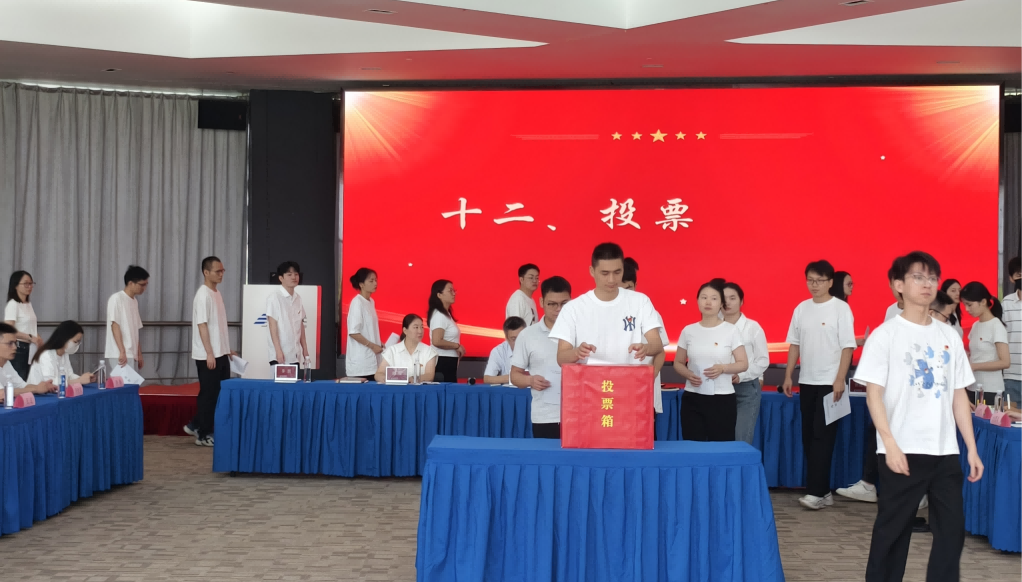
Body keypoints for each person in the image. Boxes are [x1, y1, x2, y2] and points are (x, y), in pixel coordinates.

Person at [854, 251, 982, 582]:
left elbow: (958, 394)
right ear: (898, 285)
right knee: (893, 533)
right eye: (918, 277)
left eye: (932, 278)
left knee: (952, 532)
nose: (927, 284)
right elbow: (874, 394)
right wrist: (889, 444)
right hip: (902, 449)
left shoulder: (948, 335)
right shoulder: (886, 335)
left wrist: (970, 447)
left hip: (944, 452)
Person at [838, 289, 957, 506]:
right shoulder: (889, 326)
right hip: (896, 402)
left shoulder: (946, 335)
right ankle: (875, 485)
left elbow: (954, 384)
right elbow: (875, 388)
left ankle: (920, 491)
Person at [782, 259, 857, 510]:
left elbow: (847, 347)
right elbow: (794, 344)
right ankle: (822, 491)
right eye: (810, 280)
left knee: (822, 437)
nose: (814, 285)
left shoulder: (840, 309)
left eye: (820, 281)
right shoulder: (801, 308)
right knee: (808, 437)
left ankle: (816, 493)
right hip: (807, 381)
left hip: (830, 383)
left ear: (830, 282)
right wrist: (788, 375)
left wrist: (839, 379)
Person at [551, 242, 664, 371]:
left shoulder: (640, 301)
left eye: (617, 272)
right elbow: (561, 357)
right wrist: (577, 352)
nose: (611, 279)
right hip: (588, 382)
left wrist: (646, 348)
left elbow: (657, 344)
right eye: (605, 273)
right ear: (592, 271)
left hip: (628, 380)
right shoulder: (573, 308)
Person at [673, 280, 749, 442]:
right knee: (693, 446)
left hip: (722, 398)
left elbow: (743, 363)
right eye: (704, 297)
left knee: (721, 447)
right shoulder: (688, 330)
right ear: (697, 301)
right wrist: (687, 374)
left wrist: (723, 368)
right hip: (693, 397)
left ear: (721, 304)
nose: (708, 302)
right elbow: (678, 362)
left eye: (714, 298)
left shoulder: (731, 330)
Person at [511, 276, 572, 439]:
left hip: (579, 415)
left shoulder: (582, 332)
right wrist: (530, 380)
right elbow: (515, 375)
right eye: (552, 304)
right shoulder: (527, 335)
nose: (558, 309)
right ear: (541, 302)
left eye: (564, 304)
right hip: (545, 417)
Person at [183, 256, 233, 447]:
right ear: (206, 272)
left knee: (219, 392)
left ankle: (195, 424)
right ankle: (203, 433)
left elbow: (218, 327)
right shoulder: (203, 295)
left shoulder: (216, 293)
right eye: (217, 271)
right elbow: (202, 325)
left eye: (222, 270)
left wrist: (227, 349)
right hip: (208, 355)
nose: (221, 274)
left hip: (220, 353)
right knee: (209, 394)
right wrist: (209, 353)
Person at [622, 257, 669, 420]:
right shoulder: (603, 313)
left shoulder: (650, 313)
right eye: (620, 289)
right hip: (614, 392)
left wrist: (650, 376)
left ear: (635, 285)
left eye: (629, 288)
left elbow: (660, 352)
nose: (626, 294)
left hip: (644, 393)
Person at [722, 281, 769, 445]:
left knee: (741, 439)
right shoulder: (714, 327)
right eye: (724, 298)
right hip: (719, 388)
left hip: (746, 389)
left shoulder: (752, 328)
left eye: (732, 298)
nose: (727, 302)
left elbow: (763, 360)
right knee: (721, 439)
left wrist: (741, 375)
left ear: (741, 301)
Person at [961, 281, 1008, 405]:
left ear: (983, 302)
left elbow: (1005, 362)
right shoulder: (975, 325)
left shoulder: (996, 325)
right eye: (964, 305)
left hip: (991, 390)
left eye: (969, 305)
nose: (967, 309)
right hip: (972, 386)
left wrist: (974, 366)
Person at [265, 261, 309, 369]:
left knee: (295, 380)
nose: (294, 277)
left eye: (296, 274)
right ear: (281, 278)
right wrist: (278, 350)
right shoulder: (274, 297)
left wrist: (305, 349)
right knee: (280, 381)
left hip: (295, 354)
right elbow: (272, 325)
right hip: (280, 356)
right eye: (289, 274)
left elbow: (300, 325)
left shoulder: (298, 298)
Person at [105, 265, 149, 372]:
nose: (144, 288)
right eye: (142, 285)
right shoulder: (116, 299)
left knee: (130, 382)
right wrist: (122, 351)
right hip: (119, 353)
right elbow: (115, 325)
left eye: (146, 285)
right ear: (130, 283)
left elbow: (135, 330)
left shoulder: (134, 301)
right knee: (122, 382)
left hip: (130, 353)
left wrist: (139, 354)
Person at [0, 323, 55, 404]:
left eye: (15, 343)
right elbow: (2, 393)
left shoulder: (7, 363)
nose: (15, 347)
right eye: (10, 343)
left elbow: (23, 386)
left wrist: (42, 387)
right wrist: (36, 389)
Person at [27, 320, 95, 386]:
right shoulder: (46, 355)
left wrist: (83, 379)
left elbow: (69, 375)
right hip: (38, 393)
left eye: (78, 342)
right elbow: (50, 383)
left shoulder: (64, 354)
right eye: (75, 342)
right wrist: (79, 380)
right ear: (64, 338)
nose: (77, 345)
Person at [374, 314, 437, 383]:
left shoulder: (429, 351)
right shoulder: (392, 351)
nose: (420, 331)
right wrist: (386, 378)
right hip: (396, 388)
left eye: (422, 327)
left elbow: (429, 376)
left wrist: (411, 379)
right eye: (416, 327)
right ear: (405, 330)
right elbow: (378, 374)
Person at [4, 271, 43, 381]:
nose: (29, 286)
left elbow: (29, 326)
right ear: (16, 285)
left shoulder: (28, 304)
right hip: (19, 348)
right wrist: (30, 337)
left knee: (29, 379)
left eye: (31, 283)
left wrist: (38, 338)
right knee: (20, 379)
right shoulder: (13, 304)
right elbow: (9, 330)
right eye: (26, 284)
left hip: (30, 348)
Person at [345, 267, 382, 380]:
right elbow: (353, 332)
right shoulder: (357, 302)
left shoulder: (371, 302)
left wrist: (379, 343)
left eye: (376, 280)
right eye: (371, 281)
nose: (375, 283)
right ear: (361, 284)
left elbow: (369, 330)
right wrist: (372, 346)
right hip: (361, 361)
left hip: (373, 360)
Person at [428, 279, 464, 383]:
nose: (454, 294)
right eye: (450, 290)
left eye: (454, 290)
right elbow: (437, 341)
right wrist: (457, 346)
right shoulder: (439, 315)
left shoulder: (446, 315)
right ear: (439, 295)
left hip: (449, 361)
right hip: (442, 361)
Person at [1003, 257, 1022, 406]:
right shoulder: (1006, 303)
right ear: (1011, 278)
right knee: (1010, 416)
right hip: (1012, 375)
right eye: (1019, 275)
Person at [483, 316, 526, 384]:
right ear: (506, 338)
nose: (518, 342)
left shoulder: (536, 347)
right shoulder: (498, 351)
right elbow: (487, 379)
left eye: (521, 337)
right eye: (514, 339)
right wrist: (514, 378)